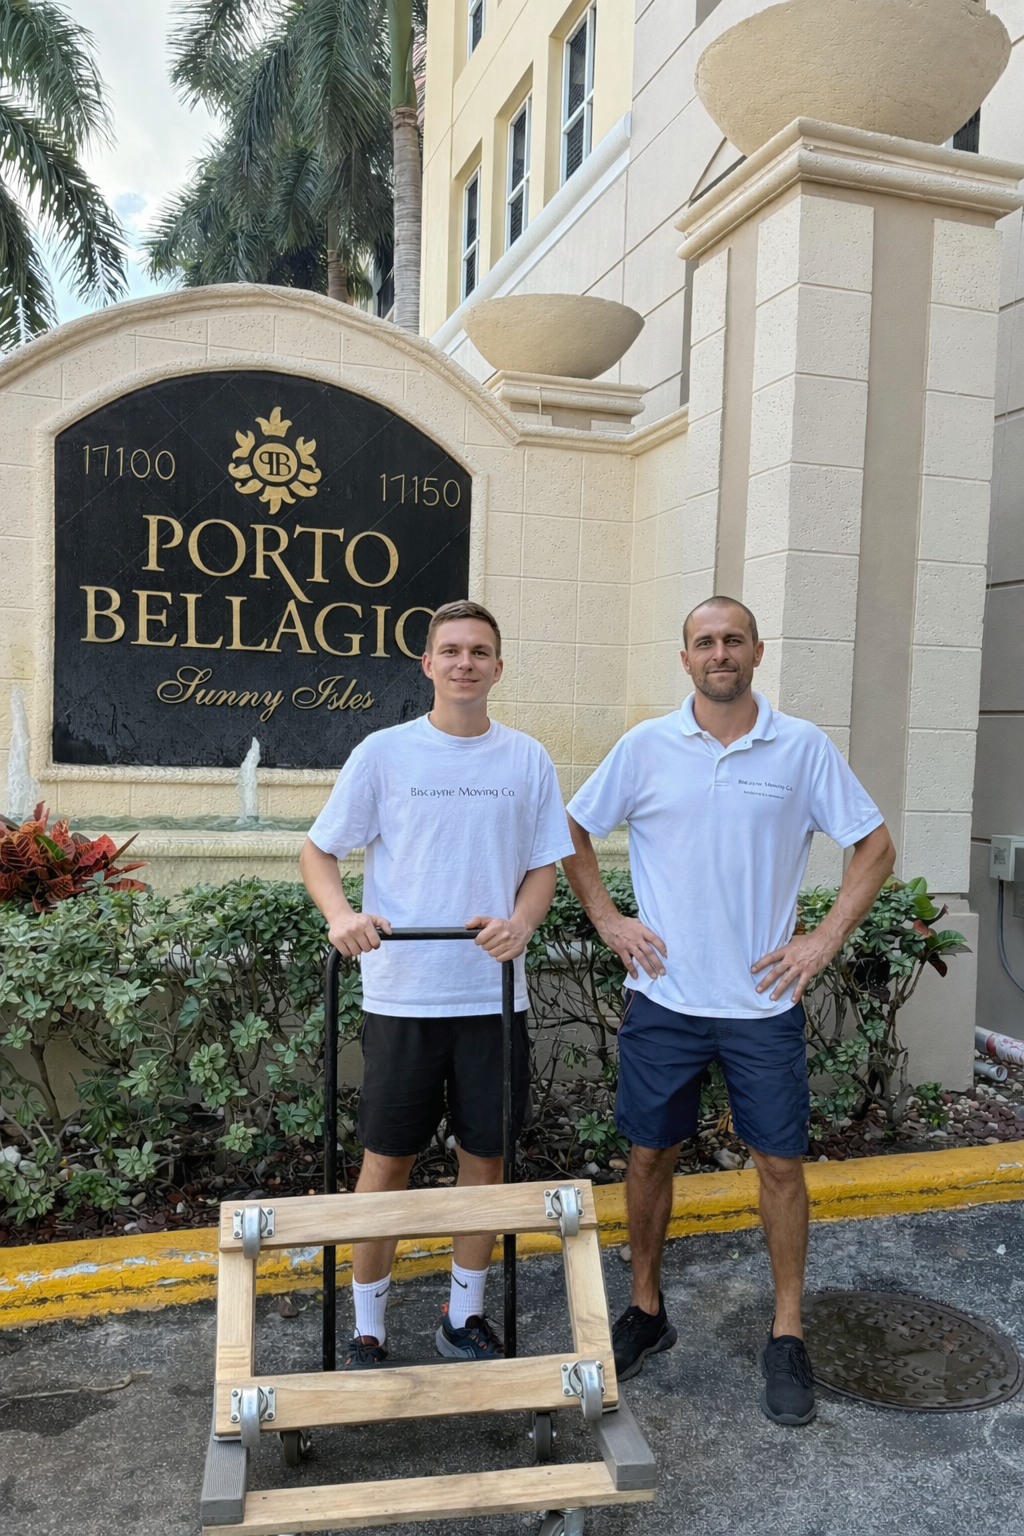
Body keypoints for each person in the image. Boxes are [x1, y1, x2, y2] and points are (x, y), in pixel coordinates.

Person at [562, 596, 895, 1425]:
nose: (720, 653)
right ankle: (646, 1311)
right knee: (648, 1157)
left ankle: (787, 1332)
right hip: (665, 999)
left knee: (780, 1165)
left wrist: (821, 939)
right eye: (704, 642)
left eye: (733, 640)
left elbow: (875, 845)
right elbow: (570, 828)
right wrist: (608, 919)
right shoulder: (645, 746)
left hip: (761, 1003)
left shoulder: (800, 746)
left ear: (756, 652)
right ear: (685, 658)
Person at [300, 599, 573, 1368]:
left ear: (497, 666)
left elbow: (543, 865)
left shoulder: (527, 759)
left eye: (479, 651)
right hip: (404, 995)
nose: (464, 663)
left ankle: (463, 1316)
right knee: (386, 1159)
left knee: (486, 1157)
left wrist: (522, 924)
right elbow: (319, 854)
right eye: (450, 650)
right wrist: (340, 915)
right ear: (427, 664)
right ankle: (367, 1328)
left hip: (491, 998)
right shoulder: (384, 753)